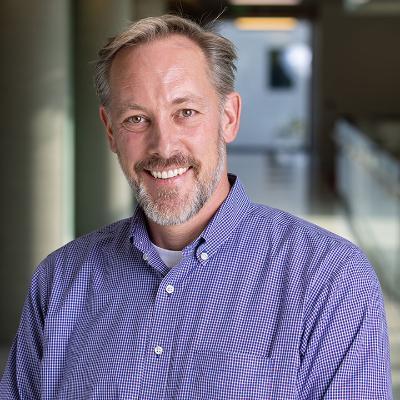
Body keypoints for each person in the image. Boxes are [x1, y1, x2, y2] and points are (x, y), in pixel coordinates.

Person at [0, 14, 392, 399]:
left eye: (185, 112)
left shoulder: (331, 281)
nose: (164, 147)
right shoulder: (59, 281)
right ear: (110, 131)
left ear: (228, 117)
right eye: (136, 119)